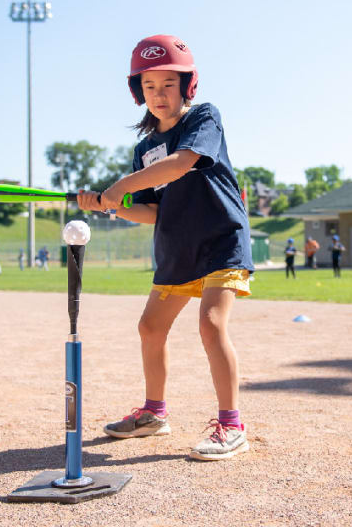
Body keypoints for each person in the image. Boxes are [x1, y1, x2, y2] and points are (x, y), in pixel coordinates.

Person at [78, 35, 253, 461]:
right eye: (150, 86)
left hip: (220, 238)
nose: (159, 94)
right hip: (177, 248)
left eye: (168, 84)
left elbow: (181, 164)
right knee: (150, 328)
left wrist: (118, 187)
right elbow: (153, 210)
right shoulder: (143, 149)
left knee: (211, 324)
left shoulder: (204, 118)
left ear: (187, 86)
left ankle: (231, 425)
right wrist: (114, 206)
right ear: (139, 91)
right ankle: (154, 414)